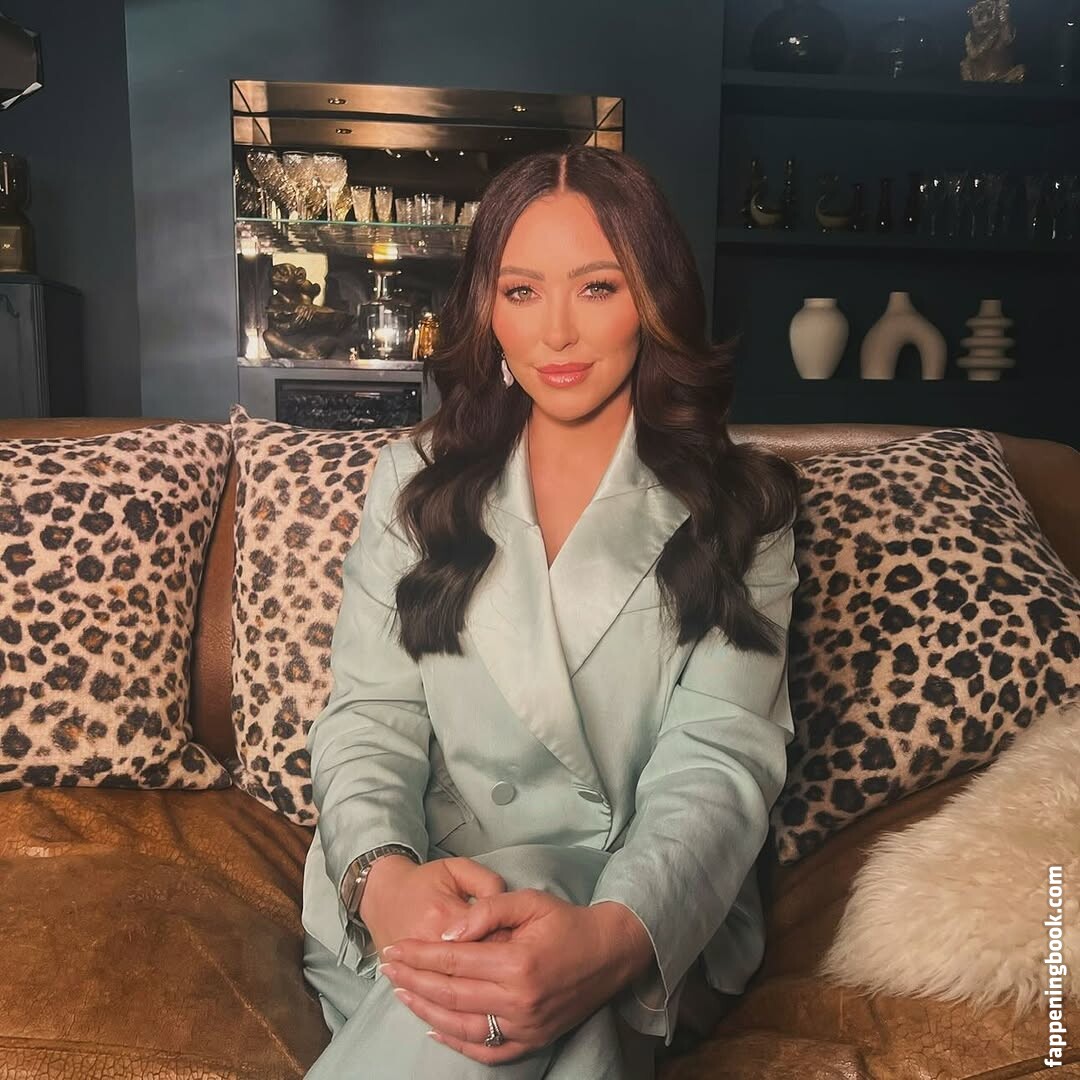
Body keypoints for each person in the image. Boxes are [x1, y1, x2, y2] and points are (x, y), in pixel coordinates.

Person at [300, 145, 801, 1078]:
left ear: (654, 299)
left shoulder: (745, 507)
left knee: (527, 967)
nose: (557, 332)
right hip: (425, 889)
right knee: (522, 1001)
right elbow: (370, 717)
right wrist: (383, 878)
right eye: (522, 291)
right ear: (486, 307)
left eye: (598, 287)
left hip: (640, 898)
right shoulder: (411, 481)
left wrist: (611, 940)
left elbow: (720, 756)